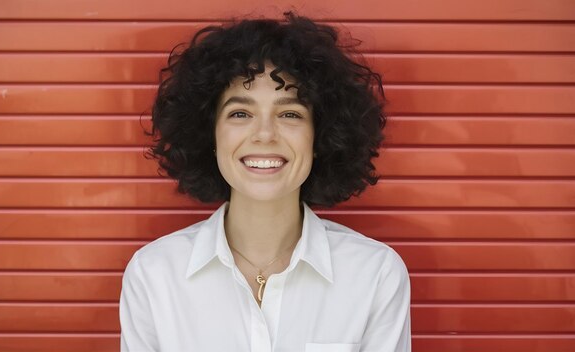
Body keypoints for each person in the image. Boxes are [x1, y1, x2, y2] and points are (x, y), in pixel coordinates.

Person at [120, 12, 411, 352]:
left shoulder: (375, 274)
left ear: (320, 138)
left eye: (290, 113)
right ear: (209, 135)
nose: (264, 134)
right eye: (240, 113)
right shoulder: (153, 275)